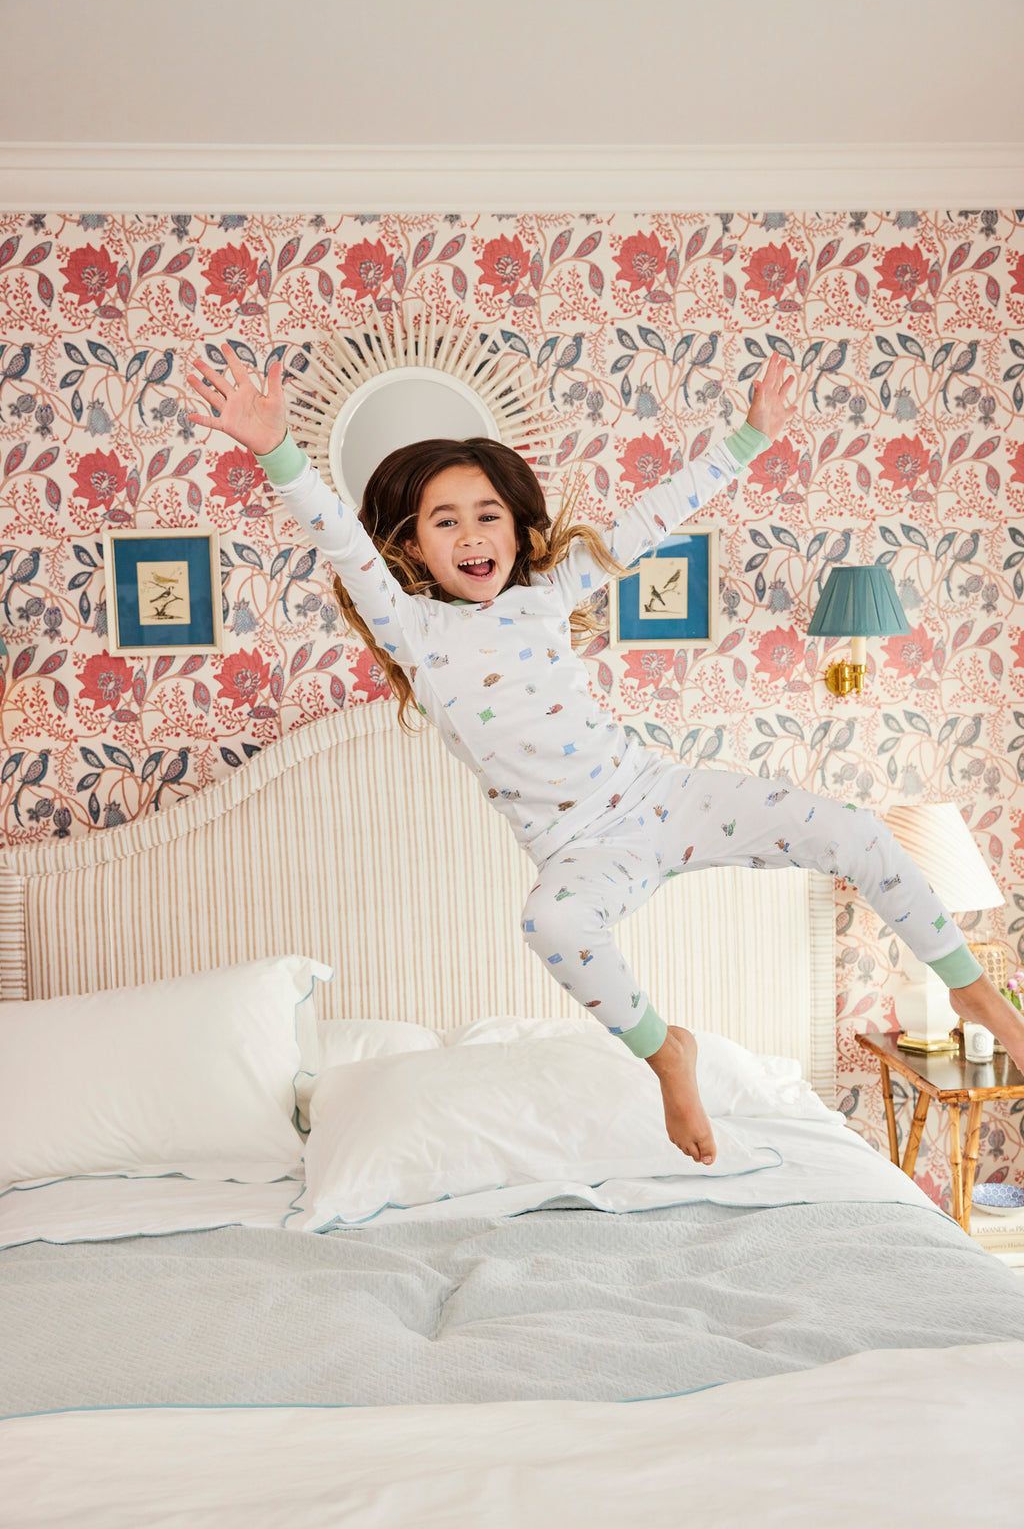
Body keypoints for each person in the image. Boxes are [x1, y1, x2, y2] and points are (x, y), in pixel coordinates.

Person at [187, 346, 1024, 1166]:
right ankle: (667, 1054)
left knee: (855, 828)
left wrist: (750, 437)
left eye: (488, 515)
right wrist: (276, 451)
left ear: (516, 528)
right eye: (445, 521)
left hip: (657, 794)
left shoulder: (546, 593)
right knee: (550, 921)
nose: (473, 534)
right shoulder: (416, 631)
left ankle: (966, 982)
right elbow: (340, 542)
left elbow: (649, 517)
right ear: (412, 550)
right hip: (579, 849)